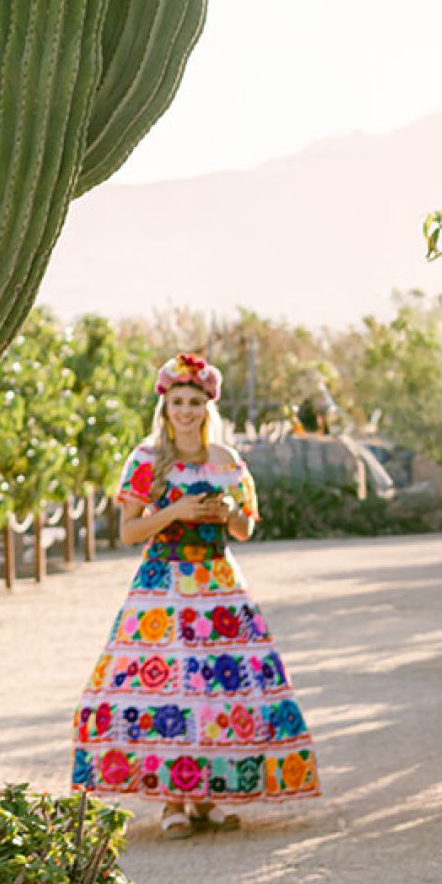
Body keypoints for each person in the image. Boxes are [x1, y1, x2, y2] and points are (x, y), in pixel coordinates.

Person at [72, 350, 320, 828]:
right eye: (177, 402)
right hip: (162, 586)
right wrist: (176, 512)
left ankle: (207, 793)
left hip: (217, 585)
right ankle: (172, 802)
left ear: (208, 408)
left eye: (194, 402)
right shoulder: (146, 461)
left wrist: (227, 513)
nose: (185, 411)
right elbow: (128, 532)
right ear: (165, 409)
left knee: (217, 689)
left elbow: (246, 529)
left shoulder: (227, 461)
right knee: (166, 688)